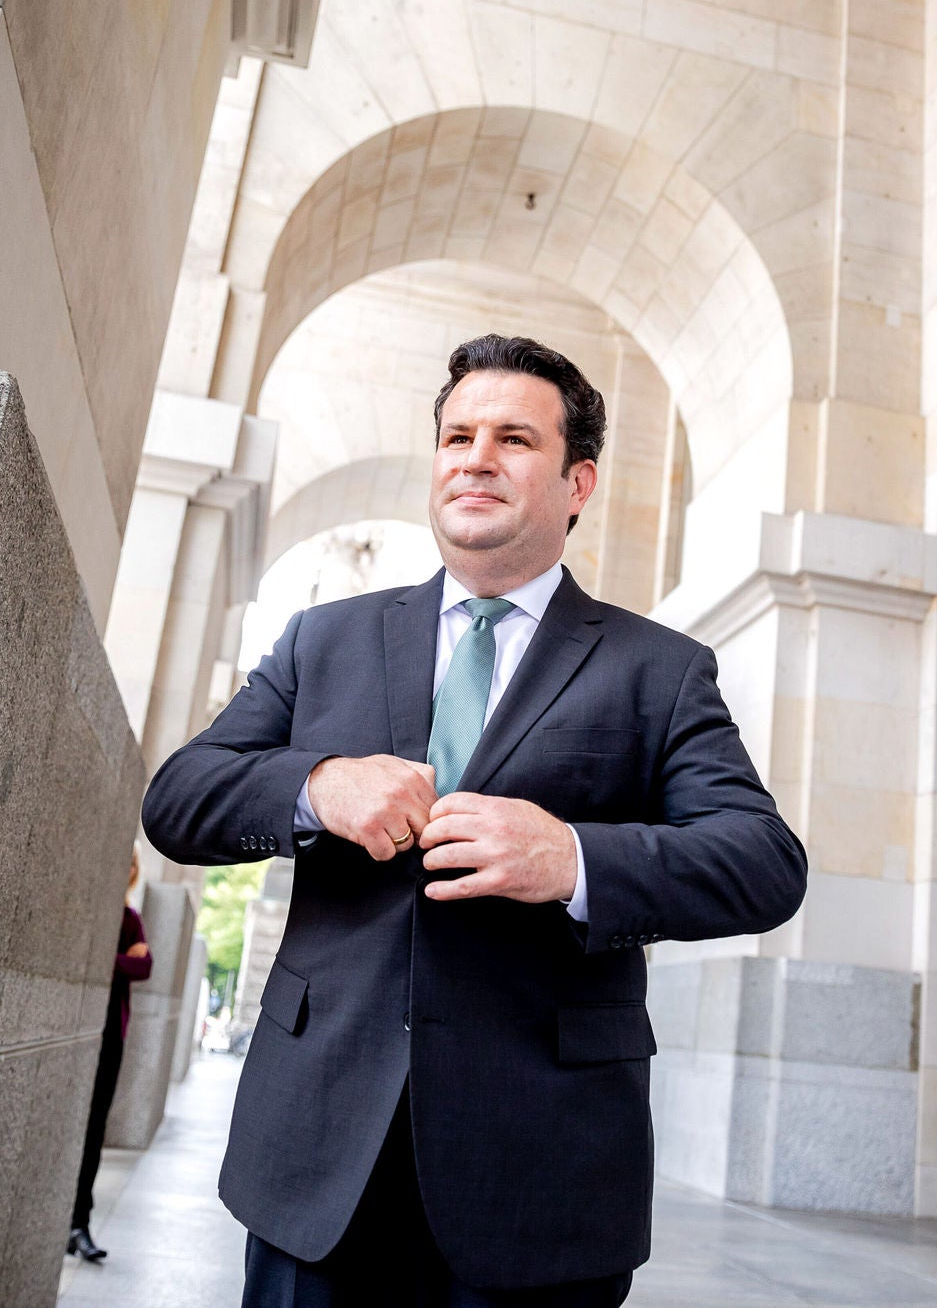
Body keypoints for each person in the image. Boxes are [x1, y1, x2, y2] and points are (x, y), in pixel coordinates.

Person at [141, 334, 807, 1307]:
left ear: (577, 482)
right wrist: (316, 786)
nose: (474, 458)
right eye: (456, 435)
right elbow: (178, 799)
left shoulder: (656, 671)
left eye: (512, 439)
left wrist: (570, 857)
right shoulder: (322, 640)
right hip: (317, 1153)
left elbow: (760, 864)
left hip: (540, 1168)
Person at [68, 852, 153, 1262]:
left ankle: (78, 1222)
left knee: (93, 1128)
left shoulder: (129, 918)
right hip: (71, 1032)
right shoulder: (88, 912)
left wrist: (107, 962)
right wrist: (120, 960)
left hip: (110, 1035)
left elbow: (145, 967)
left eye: (132, 865)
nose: (128, 870)